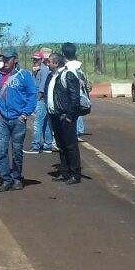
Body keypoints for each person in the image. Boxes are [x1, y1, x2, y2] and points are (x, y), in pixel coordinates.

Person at [0, 48, 37, 192]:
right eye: (4, 59)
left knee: (16, 150)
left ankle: (17, 178)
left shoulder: (24, 75)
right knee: (1, 150)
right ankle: (5, 179)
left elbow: (32, 95)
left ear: (15, 59)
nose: (5, 61)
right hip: (1, 118)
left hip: (18, 119)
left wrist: (24, 114)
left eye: (8, 59)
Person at [48, 49, 83, 184]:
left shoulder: (67, 75)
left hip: (65, 117)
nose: (48, 64)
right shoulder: (54, 76)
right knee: (61, 145)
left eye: (49, 62)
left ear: (56, 63)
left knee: (70, 146)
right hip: (55, 116)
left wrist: (70, 115)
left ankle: (75, 174)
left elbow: (75, 98)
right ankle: (64, 172)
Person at [28, 51, 54, 153]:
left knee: (37, 123)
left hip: (41, 99)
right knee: (45, 123)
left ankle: (36, 145)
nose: (34, 61)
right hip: (40, 99)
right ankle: (47, 144)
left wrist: (37, 100)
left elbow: (42, 88)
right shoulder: (37, 70)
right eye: (34, 59)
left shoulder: (44, 70)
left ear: (42, 60)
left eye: (37, 59)